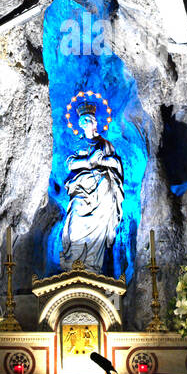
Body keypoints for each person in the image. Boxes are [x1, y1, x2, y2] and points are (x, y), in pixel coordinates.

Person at [60, 103, 124, 271]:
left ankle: (93, 267)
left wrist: (100, 161)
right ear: (80, 125)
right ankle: (74, 266)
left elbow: (116, 163)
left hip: (102, 190)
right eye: (84, 121)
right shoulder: (77, 144)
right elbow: (70, 164)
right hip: (81, 190)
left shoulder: (105, 145)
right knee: (74, 227)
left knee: (99, 229)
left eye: (90, 120)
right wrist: (88, 162)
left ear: (95, 123)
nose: (87, 123)